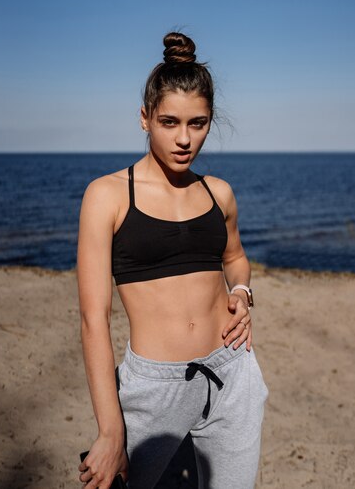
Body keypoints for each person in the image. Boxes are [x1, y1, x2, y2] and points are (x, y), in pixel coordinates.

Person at [77, 32, 268, 489]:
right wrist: (110, 430)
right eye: (169, 122)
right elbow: (92, 318)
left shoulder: (218, 192)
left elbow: (236, 259)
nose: (184, 139)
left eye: (198, 123)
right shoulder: (107, 196)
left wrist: (242, 293)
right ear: (144, 118)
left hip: (232, 373)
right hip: (152, 387)